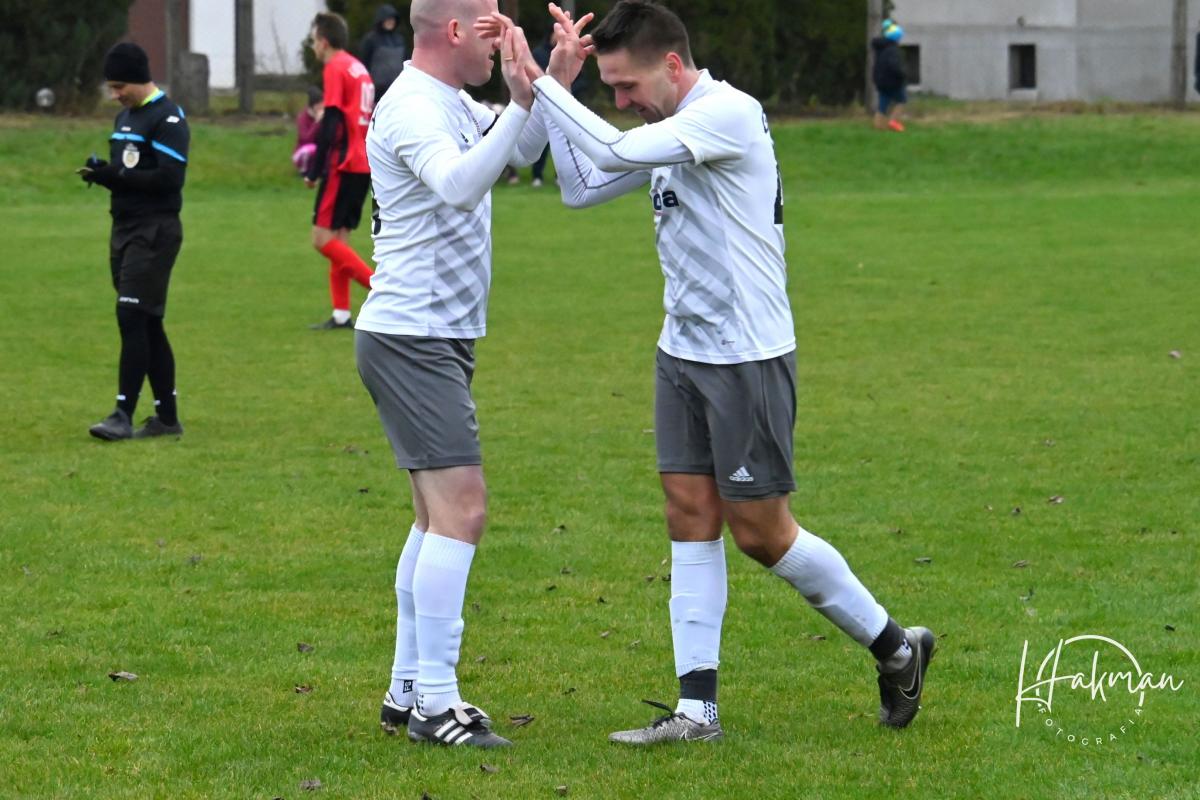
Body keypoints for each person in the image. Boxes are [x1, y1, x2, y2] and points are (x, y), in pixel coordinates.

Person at [496, 0, 935, 743]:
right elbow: (579, 185)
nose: (623, 101)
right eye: (612, 89)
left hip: (745, 355)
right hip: (682, 352)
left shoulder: (726, 113)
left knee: (763, 534)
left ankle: (897, 648)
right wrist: (559, 85)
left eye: (628, 86)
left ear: (672, 65)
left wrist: (543, 83)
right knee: (688, 516)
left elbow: (608, 151)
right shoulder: (668, 127)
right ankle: (696, 711)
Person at [356, 0, 552, 748]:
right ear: (458, 31)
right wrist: (521, 101)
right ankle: (437, 705)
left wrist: (548, 81)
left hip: (433, 335)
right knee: (463, 513)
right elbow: (460, 183)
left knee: (434, 518)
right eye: (495, 27)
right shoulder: (413, 105)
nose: (503, 40)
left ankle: (406, 691)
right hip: (414, 336)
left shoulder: (454, 101)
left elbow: (516, 152)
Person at [79, 42, 188, 441]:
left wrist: (117, 176)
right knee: (146, 320)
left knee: (130, 315)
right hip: (123, 229)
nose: (115, 94)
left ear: (140, 79)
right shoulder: (124, 117)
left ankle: (122, 414)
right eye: (111, 87)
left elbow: (169, 179)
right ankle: (167, 419)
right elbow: (128, 172)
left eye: (119, 86)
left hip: (155, 231)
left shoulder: (168, 118)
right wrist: (103, 174)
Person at [306, 12, 377, 330]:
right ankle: (341, 314)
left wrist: (314, 169)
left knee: (321, 239)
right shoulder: (357, 66)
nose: (313, 47)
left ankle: (382, 290)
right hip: (363, 161)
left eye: (313, 40)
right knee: (340, 239)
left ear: (323, 41)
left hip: (343, 161)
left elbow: (332, 121)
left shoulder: (335, 66)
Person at [527, 27, 588, 187]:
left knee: (564, 139)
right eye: (557, 31)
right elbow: (534, 75)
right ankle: (537, 176)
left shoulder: (571, 53)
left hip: (567, 103)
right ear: (550, 33)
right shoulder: (539, 53)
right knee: (542, 141)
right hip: (543, 102)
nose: (560, 35)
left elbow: (582, 79)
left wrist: (567, 89)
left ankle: (560, 176)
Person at [359, 4, 408, 99]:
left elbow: (405, 61)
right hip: (376, 91)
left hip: (397, 88)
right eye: (388, 19)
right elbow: (364, 64)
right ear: (381, 20)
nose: (390, 22)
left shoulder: (400, 39)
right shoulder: (371, 39)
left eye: (392, 19)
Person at [872, 19, 907, 132]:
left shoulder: (880, 47)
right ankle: (893, 121)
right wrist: (902, 74)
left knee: (882, 105)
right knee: (902, 100)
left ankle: (878, 127)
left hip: (881, 80)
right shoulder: (893, 50)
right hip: (892, 81)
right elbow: (894, 66)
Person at [292, 85, 323, 175]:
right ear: (313, 105)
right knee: (312, 149)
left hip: (318, 149)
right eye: (319, 105)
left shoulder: (324, 116)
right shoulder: (302, 118)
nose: (321, 107)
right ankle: (304, 170)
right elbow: (305, 139)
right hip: (303, 151)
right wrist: (316, 123)